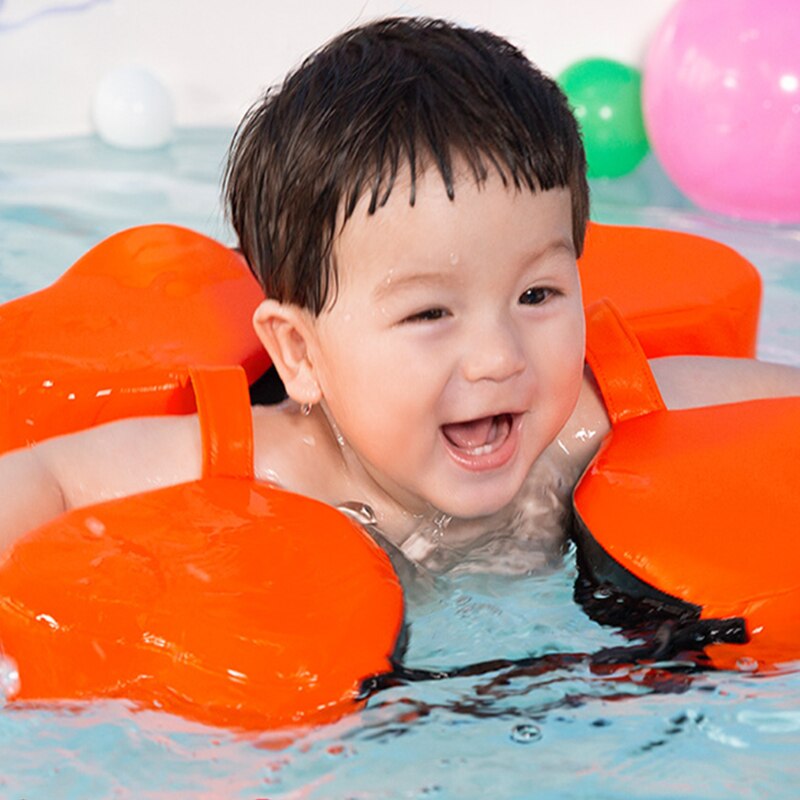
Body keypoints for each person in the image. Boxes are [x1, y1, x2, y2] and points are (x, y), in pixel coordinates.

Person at [1, 17, 799, 574]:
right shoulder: (272, 465)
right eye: (429, 313)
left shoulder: (585, 425)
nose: (497, 357)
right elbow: (49, 481)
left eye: (537, 294)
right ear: (300, 355)